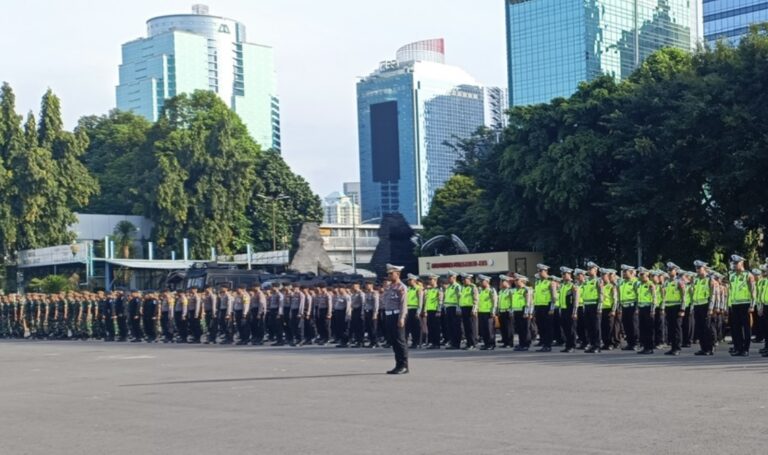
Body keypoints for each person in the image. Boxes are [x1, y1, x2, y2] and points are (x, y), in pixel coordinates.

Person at [381, 264, 409, 374]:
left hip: (397, 315)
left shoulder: (401, 287)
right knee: (394, 341)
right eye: (388, 273)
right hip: (389, 315)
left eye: (391, 273)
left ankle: (404, 365)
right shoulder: (389, 287)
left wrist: (401, 318)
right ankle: (398, 364)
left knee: (400, 341)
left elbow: (403, 304)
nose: (389, 275)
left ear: (397, 274)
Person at [728, 255, 756, 356]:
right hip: (735, 304)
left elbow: (753, 291)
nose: (734, 265)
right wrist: (729, 304)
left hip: (745, 304)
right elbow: (730, 291)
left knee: (746, 327)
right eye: (733, 263)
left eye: (736, 263)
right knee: (736, 328)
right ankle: (738, 348)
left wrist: (752, 305)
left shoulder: (748, 275)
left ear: (742, 263)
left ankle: (745, 349)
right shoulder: (731, 275)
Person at [663, 262, 686, 356]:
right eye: (668, 270)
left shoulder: (679, 281)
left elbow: (684, 296)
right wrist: (664, 308)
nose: (669, 272)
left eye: (671, 270)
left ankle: (677, 348)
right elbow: (665, 296)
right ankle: (672, 347)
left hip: (677, 307)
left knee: (677, 328)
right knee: (671, 328)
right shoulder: (666, 282)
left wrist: (682, 309)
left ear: (675, 271)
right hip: (669, 307)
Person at [582, 262, 603, 353]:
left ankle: (597, 346)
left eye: (591, 269)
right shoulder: (586, 281)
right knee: (589, 327)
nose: (589, 270)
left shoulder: (598, 280)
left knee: (596, 327)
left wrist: (599, 307)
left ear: (596, 270)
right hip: (587, 305)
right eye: (588, 269)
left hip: (595, 305)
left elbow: (601, 294)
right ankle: (591, 344)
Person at [636, 268, 657, 355]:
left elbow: (654, 298)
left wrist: (652, 310)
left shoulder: (650, 284)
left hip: (648, 308)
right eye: (640, 275)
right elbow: (638, 297)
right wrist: (637, 308)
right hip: (641, 308)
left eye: (642, 275)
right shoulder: (639, 285)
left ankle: (650, 347)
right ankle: (645, 346)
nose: (641, 276)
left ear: (647, 275)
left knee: (649, 329)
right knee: (642, 328)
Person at [512, 273, 533, 351]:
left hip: (524, 311)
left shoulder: (527, 289)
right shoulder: (515, 290)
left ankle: (526, 344)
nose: (515, 281)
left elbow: (529, 302)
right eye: (515, 280)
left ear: (523, 281)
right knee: (519, 329)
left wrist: (527, 312)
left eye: (517, 280)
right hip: (517, 311)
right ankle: (521, 343)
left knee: (525, 328)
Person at [476, 274, 498, 350]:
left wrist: (493, 311)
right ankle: (486, 344)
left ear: (487, 281)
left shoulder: (491, 290)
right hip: (481, 312)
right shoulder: (480, 290)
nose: (481, 283)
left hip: (489, 312)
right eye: (480, 281)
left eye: (482, 281)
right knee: (483, 329)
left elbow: (494, 301)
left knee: (490, 329)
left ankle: (491, 344)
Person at [599, 268, 618, 351]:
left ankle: (611, 343)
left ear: (608, 276)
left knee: (610, 327)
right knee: (603, 327)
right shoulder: (601, 286)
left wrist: (613, 310)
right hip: (602, 309)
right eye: (601, 275)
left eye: (604, 275)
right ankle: (605, 343)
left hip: (609, 309)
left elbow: (615, 299)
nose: (602, 277)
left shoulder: (612, 286)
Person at [458, 273, 479, 350]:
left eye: (465, 279)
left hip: (470, 309)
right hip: (464, 308)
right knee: (466, 327)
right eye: (462, 279)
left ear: (469, 279)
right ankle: (468, 343)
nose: (463, 281)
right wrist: (460, 308)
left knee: (471, 327)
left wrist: (474, 309)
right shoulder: (463, 288)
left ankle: (473, 344)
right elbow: (461, 299)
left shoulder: (473, 287)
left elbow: (476, 299)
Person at [443, 271, 463, 350]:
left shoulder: (457, 286)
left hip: (454, 308)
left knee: (456, 327)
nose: (448, 279)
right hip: (448, 308)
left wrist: (458, 308)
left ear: (454, 278)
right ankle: (452, 342)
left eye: (449, 277)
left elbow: (459, 298)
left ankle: (456, 344)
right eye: (448, 277)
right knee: (450, 327)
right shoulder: (448, 287)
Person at [405, 274, 424, 349]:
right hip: (408, 309)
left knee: (415, 327)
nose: (409, 282)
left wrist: (418, 312)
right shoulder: (408, 289)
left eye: (410, 280)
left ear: (415, 280)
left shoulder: (419, 289)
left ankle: (416, 342)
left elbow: (420, 301)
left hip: (415, 309)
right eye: (408, 280)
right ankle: (409, 342)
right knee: (407, 327)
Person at [497, 275, 514, 348]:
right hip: (501, 311)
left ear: (507, 282)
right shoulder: (501, 291)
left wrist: (511, 311)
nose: (500, 283)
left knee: (508, 328)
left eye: (502, 281)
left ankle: (510, 343)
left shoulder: (510, 291)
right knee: (503, 328)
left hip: (508, 311)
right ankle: (505, 342)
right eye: (501, 281)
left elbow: (512, 302)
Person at [362, 280, 380, 348]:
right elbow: (364, 304)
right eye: (366, 285)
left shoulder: (374, 293)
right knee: (368, 328)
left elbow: (376, 304)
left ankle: (375, 342)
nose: (367, 286)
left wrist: (375, 313)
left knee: (373, 328)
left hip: (372, 312)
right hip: (367, 311)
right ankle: (371, 342)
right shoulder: (366, 293)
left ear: (371, 285)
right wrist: (363, 313)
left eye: (368, 285)